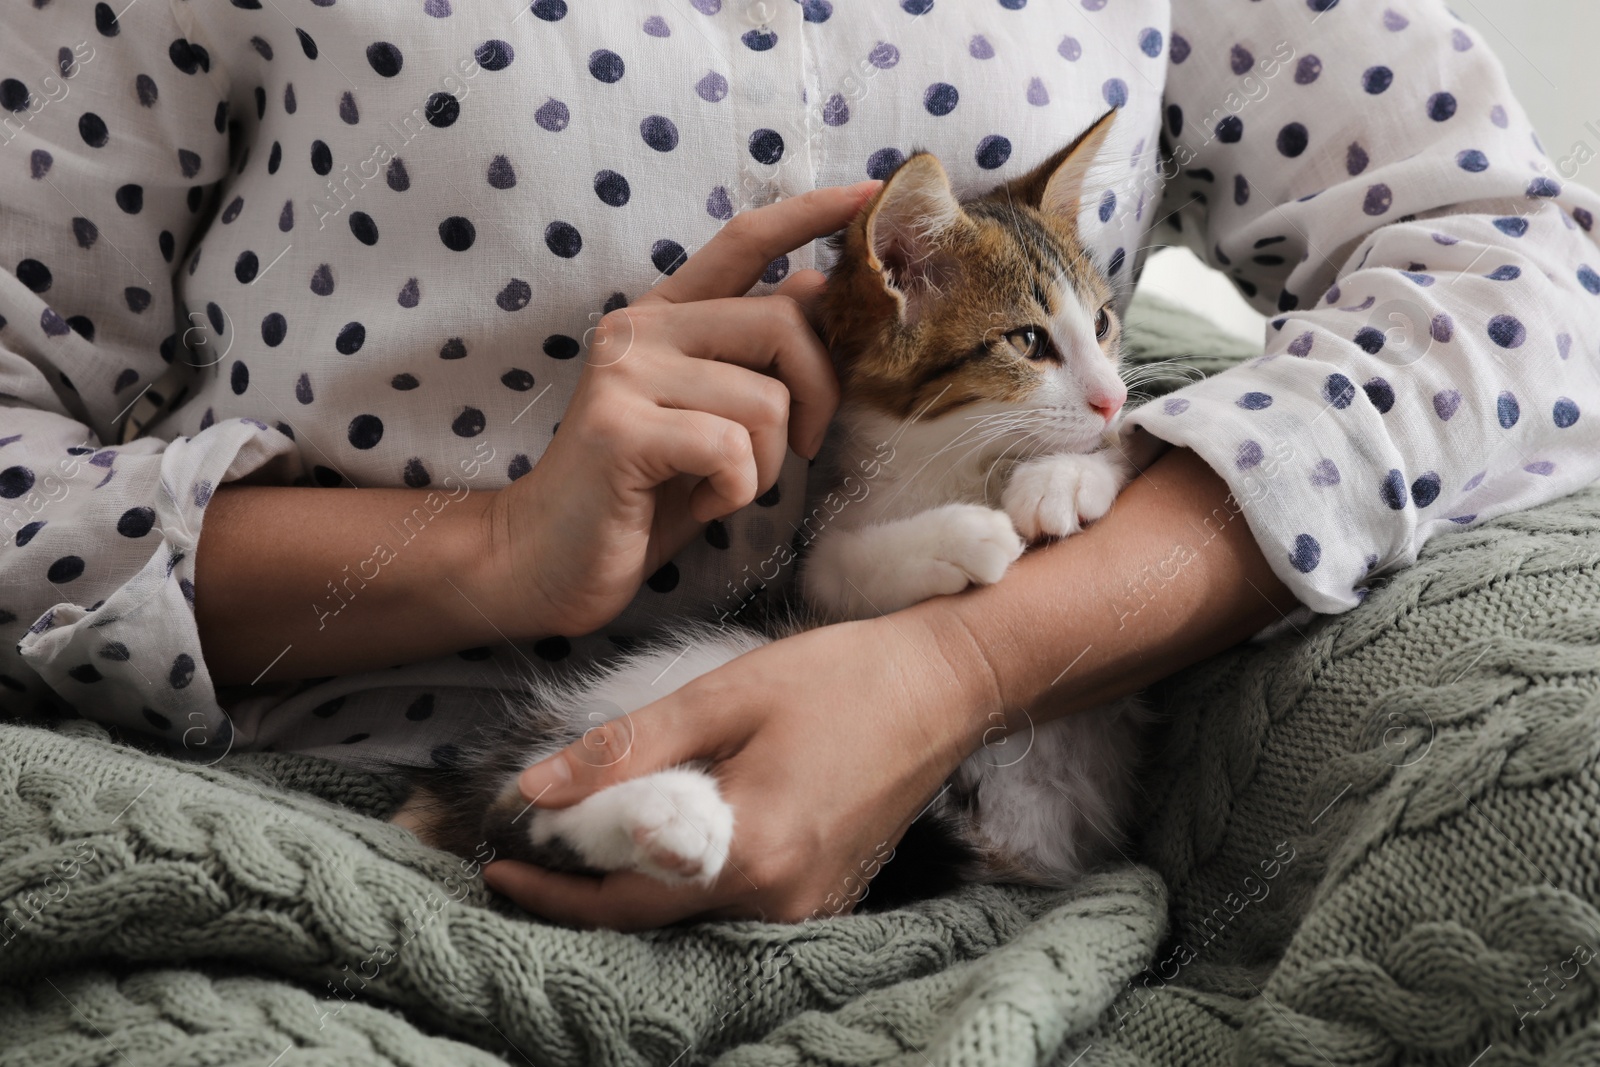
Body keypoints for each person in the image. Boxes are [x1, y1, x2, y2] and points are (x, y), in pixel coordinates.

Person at [1, 1, 1595, 928]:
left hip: (1003, 802)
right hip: (373, 810)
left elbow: (1512, 274)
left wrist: (967, 662)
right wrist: (491, 548)